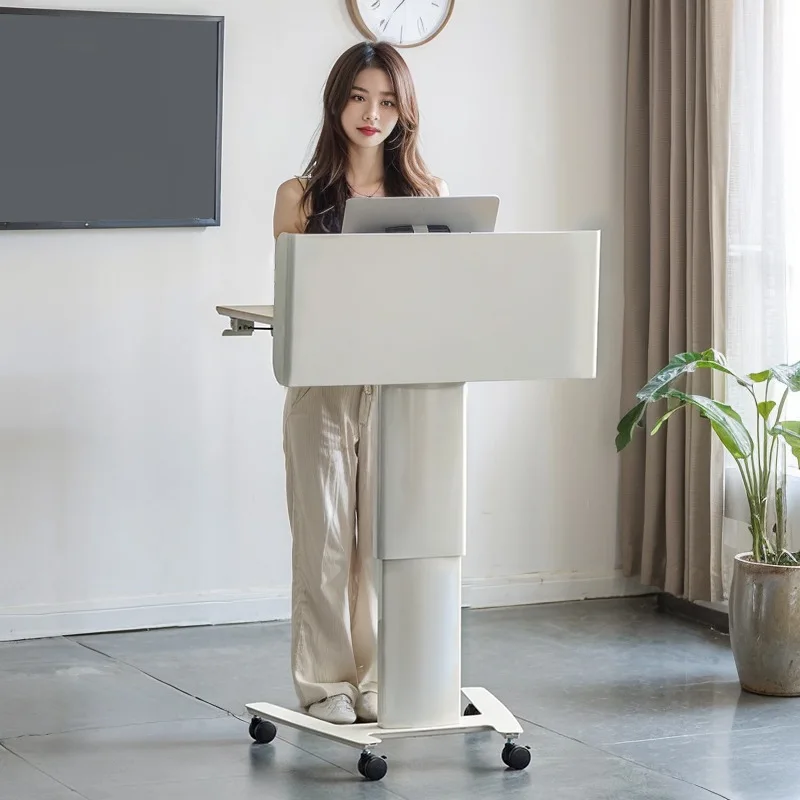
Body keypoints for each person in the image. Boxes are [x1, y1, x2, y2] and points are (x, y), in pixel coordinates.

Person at [272, 41, 448, 725]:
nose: (371, 113)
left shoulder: (425, 196)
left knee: (381, 542)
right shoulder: (301, 195)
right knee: (321, 542)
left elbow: (436, 298)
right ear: (336, 102)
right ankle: (325, 684)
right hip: (322, 380)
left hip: (396, 384)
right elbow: (290, 295)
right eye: (358, 97)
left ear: (403, 111)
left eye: (385, 100)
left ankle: (378, 677)